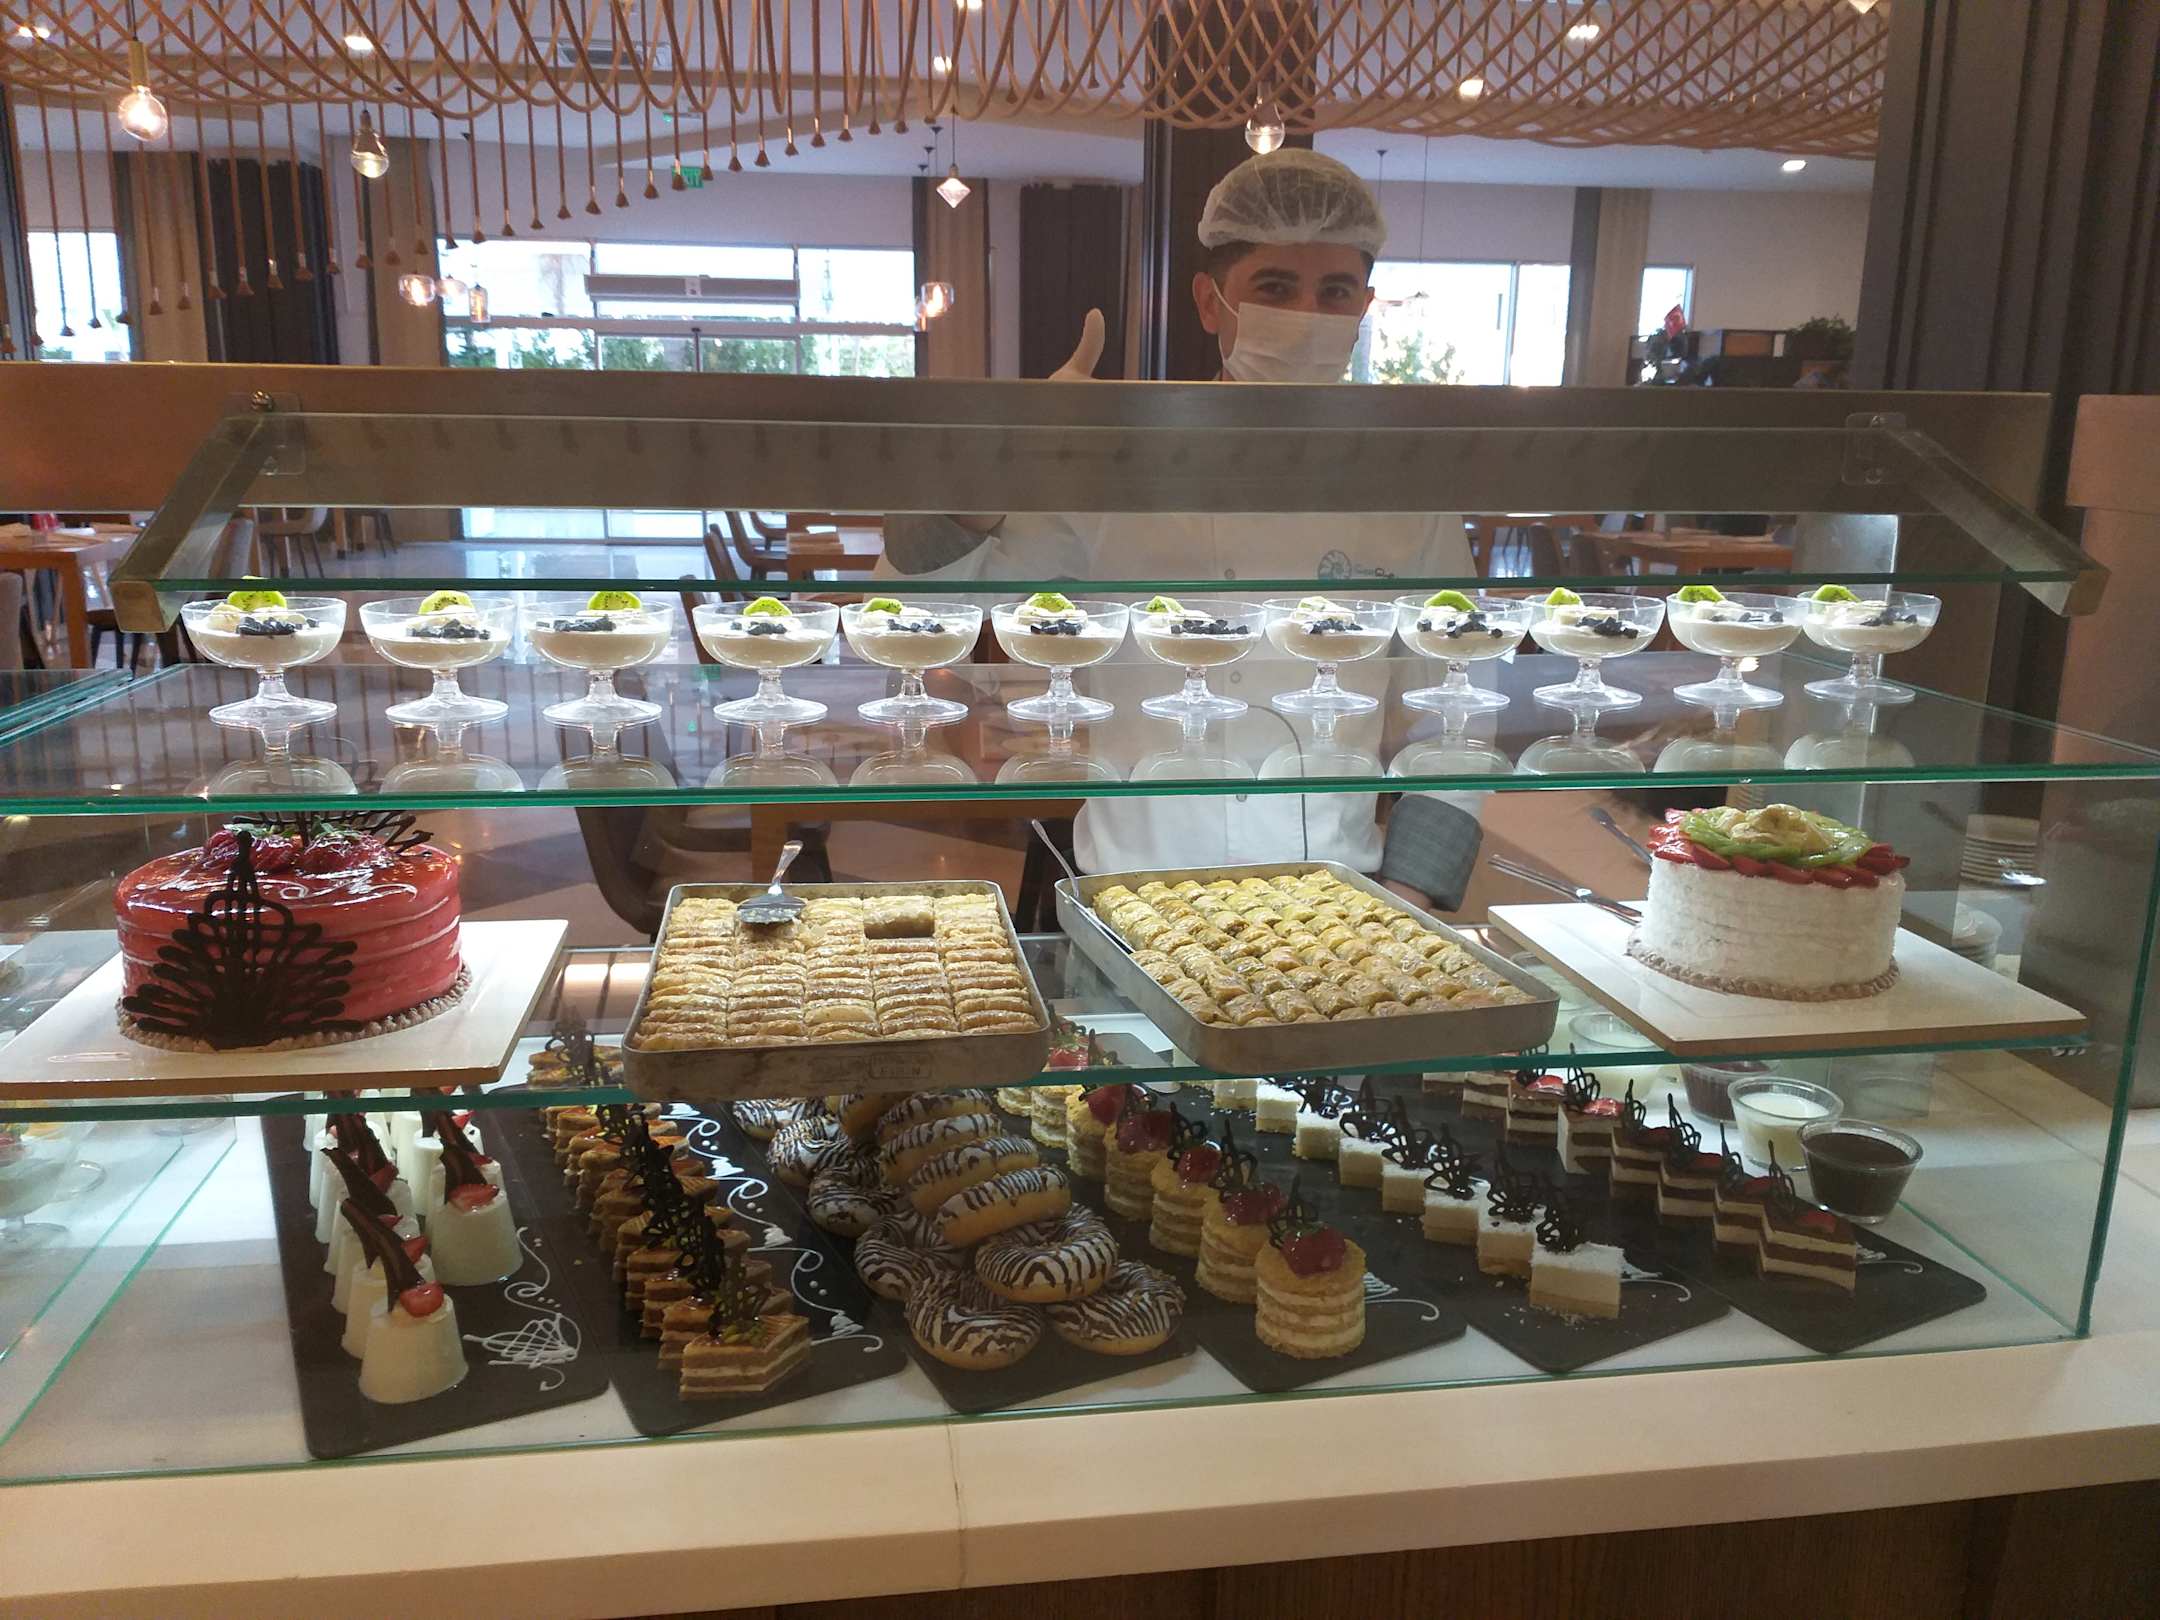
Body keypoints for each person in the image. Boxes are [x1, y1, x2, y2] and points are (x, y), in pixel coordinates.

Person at [882, 149, 1483, 909]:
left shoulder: (1409, 487)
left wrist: (1407, 896)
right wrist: (1006, 462)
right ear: (1209, 301)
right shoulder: (1113, 465)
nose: (1307, 315)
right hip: (1132, 894)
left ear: (1364, 306)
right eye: (1275, 287)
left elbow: (1456, 710)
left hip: (1336, 899)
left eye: (1334, 291)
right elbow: (916, 609)